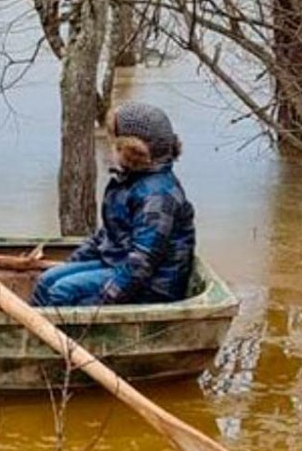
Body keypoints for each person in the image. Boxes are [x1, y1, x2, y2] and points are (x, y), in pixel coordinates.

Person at [31, 102, 196, 307]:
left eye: (115, 145)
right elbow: (109, 234)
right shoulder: (131, 181)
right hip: (119, 264)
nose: (110, 150)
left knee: (62, 291)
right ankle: (32, 336)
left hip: (152, 286)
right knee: (47, 280)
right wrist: (73, 263)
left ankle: (63, 337)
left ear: (130, 150)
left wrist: (104, 302)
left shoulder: (157, 196)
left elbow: (142, 261)